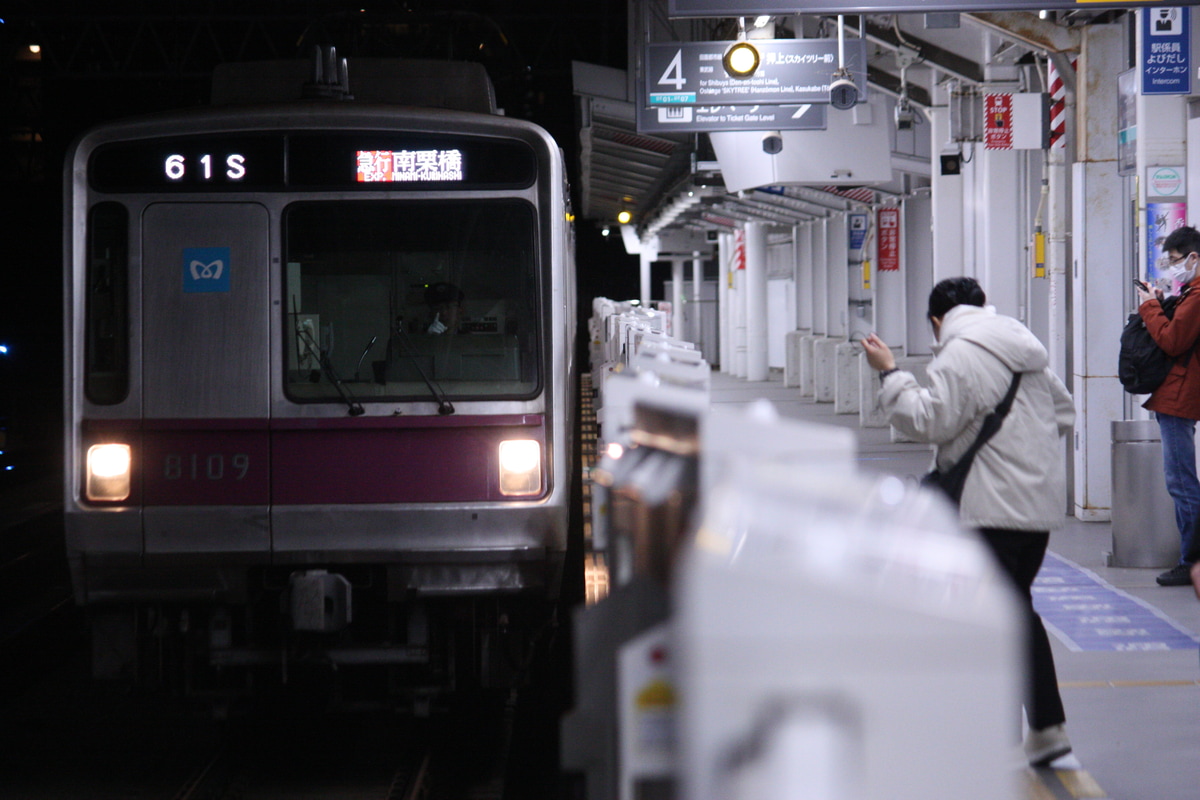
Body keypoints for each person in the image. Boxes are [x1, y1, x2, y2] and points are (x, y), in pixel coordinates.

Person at [861, 276, 1077, 768]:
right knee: (1006, 607)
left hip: (989, 506)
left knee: (1002, 612)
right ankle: (1025, 728)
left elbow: (929, 421)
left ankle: (1041, 726)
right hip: (1035, 507)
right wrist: (1025, 450)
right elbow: (1064, 414)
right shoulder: (1025, 346)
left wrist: (890, 374)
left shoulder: (958, 354)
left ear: (937, 321)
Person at [1135, 225, 1200, 587]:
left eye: (1177, 261)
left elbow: (1173, 341)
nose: (1174, 268)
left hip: (1180, 396)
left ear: (1194, 257)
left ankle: (1190, 560)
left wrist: (1148, 308)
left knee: (1181, 481)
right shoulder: (1191, 292)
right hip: (1182, 393)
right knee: (1182, 479)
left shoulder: (1198, 295)